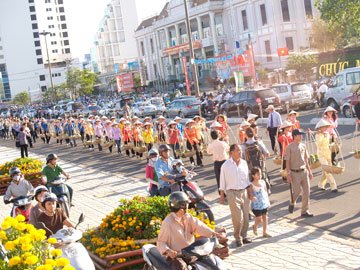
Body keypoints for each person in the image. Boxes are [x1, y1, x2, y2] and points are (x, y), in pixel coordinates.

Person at [157, 192, 225, 270]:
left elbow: (200, 227)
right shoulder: (168, 223)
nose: (188, 206)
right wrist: (168, 251)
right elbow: (161, 242)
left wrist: (215, 234)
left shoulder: (188, 217)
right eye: (186, 204)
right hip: (177, 256)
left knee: (211, 263)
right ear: (180, 206)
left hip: (192, 253)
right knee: (182, 268)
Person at [219, 144, 253, 247]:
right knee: (238, 217)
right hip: (232, 193)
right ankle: (237, 237)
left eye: (240, 151)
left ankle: (244, 235)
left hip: (244, 192)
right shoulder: (226, 165)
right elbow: (222, 182)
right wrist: (222, 196)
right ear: (231, 152)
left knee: (246, 217)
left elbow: (247, 180)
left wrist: (250, 193)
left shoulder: (244, 163)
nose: (240, 152)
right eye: (238, 150)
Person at [285, 129, 314, 217]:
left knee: (307, 191)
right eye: (299, 135)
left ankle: (304, 211)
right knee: (297, 192)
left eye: (301, 135)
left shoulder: (303, 146)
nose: (301, 136)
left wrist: (309, 171)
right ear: (294, 136)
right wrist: (288, 174)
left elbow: (306, 159)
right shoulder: (289, 147)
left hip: (304, 171)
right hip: (295, 172)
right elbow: (287, 161)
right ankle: (292, 202)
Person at [315, 119, 338, 192]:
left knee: (326, 170)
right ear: (320, 128)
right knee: (327, 169)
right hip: (321, 153)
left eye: (325, 127)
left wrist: (331, 136)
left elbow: (328, 142)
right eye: (323, 127)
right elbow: (319, 144)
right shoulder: (318, 135)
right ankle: (333, 185)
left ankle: (321, 184)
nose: (325, 128)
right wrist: (323, 136)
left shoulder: (327, 134)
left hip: (327, 152)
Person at [250, 167, 271, 238]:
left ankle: (264, 232)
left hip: (263, 203)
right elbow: (250, 195)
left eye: (260, 174)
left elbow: (265, 192)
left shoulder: (263, 182)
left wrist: (268, 202)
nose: (260, 176)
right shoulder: (251, 184)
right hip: (256, 205)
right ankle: (255, 226)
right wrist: (252, 198)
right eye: (258, 174)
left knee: (265, 217)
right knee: (259, 218)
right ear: (253, 175)